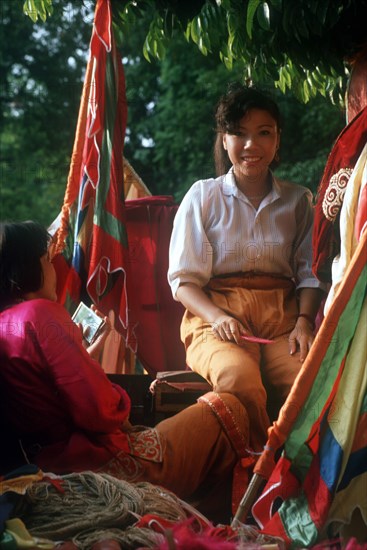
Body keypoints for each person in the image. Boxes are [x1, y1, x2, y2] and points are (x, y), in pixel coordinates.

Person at [0, 220, 249, 522]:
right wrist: (118, 397)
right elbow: (100, 411)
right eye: (47, 261)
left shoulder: (8, 321)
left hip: (43, 464)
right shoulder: (41, 313)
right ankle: (217, 521)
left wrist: (83, 355)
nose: (55, 270)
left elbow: (49, 390)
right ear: (27, 269)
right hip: (91, 464)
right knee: (230, 407)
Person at [168, 84, 326, 454]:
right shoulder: (202, 197)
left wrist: (304, 320)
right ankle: (256, 472)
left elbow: (308, 272)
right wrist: (217, 315)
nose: (251, 145)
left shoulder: (298, 200)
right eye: (239, 133)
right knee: (241, 381)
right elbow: (183, 282)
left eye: (263, 133)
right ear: (224, 140)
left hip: (283, 319)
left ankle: (304, 476)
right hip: (215, 317)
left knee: (310, 381)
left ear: (277, 139)